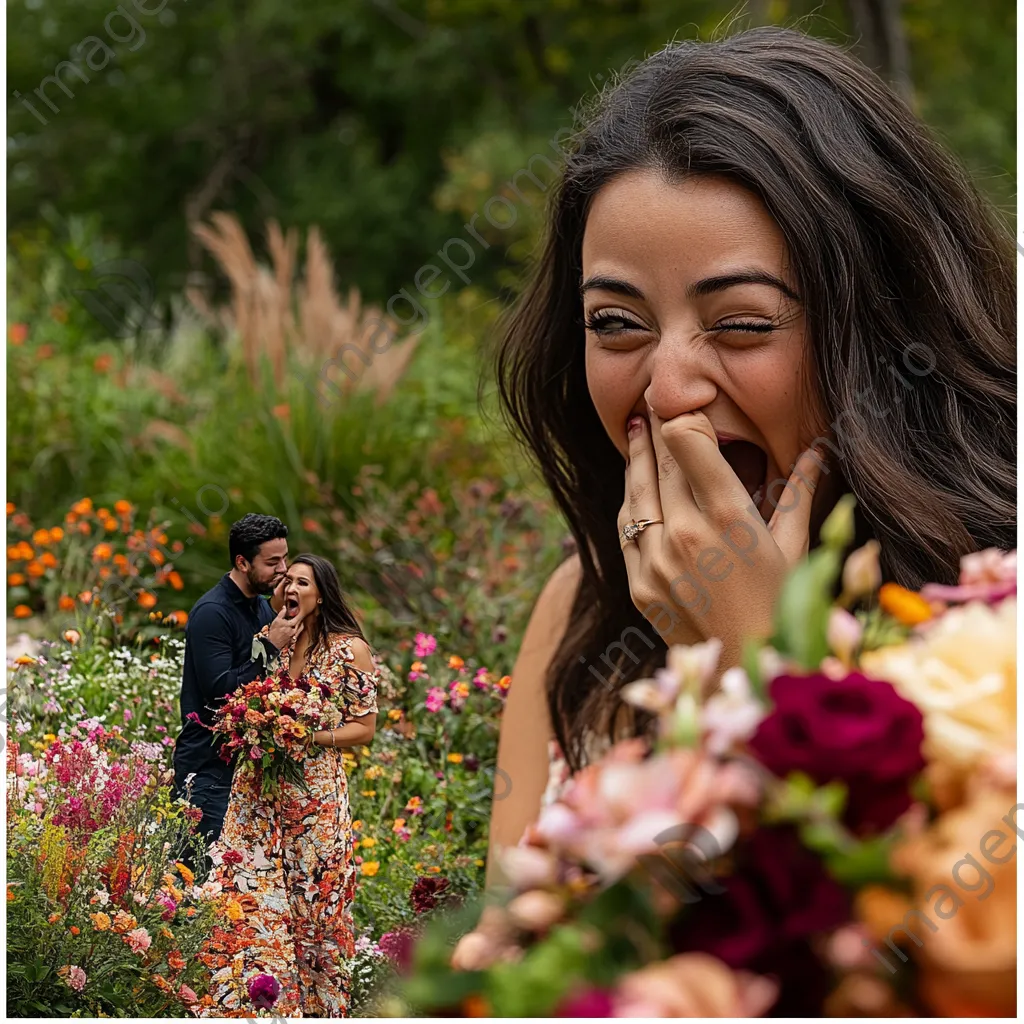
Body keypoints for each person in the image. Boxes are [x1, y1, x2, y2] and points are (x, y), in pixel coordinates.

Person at [486, 26, 1015, 881]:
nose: (667, 391)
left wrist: (757, 660)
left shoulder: (993, 628)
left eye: (741, 324)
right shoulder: (578, 610)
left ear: (882, 333)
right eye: (616, 324)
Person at [198, 554, 379, 1018]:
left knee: (314, 909)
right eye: (287, 581)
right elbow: (236, 695)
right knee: (247, 896)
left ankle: (319, 1011)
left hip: (313, 799)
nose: (291, 587)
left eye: (303, 581)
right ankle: (257, 1008)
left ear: (321, 594)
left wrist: (305, 735)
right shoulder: (272, 641)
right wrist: (249, 726)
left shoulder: (349, 649)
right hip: (256, 794)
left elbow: (364, 728)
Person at [172, 513, 303, 857]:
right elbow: (221, 692)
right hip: (206, 770)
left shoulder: (260, 608)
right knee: (195, 875)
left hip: (244, 767)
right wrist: (271, 646)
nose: (283, 569)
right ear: (242, 562)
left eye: (285, 558)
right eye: (272, 561)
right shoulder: (211, 613)